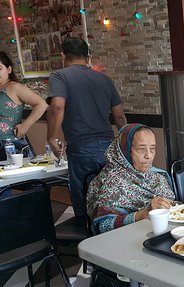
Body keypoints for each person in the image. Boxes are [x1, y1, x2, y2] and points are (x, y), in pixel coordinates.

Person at [47, 36, 127, 217]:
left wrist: (51, 138)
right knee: (111, 198)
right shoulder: (104, 79)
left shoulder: (59, 76)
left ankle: (87, 241)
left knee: (85, 203)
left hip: (81, 148)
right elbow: (119, 117)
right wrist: (125, 145)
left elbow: (57, 106)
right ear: (87, 56)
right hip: (109, 146)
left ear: (63, 55)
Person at [87, 123, 174, 234]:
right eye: (141, 149)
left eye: (152, 149)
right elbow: (102, 225)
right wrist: (142, 214)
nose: (148, 155)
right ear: (125, 151)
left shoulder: (155, 176)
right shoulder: (113, 181)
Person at [0, 51, 48, 159]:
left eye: (0, 69)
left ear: (9, 69)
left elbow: (41, 104)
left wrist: (25, 126)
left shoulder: (14, 87)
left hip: (9, 145)